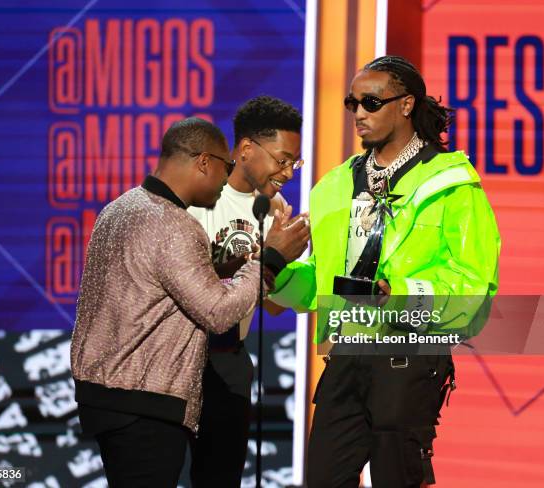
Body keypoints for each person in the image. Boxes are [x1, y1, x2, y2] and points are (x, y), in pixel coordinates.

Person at [269, 56, 501, 487]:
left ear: (407, 104)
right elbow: (318, 283)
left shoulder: (451, 184)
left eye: (371, 102)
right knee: (323, 478)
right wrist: (275, 271)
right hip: (347, 352)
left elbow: (474, 285)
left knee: (397, 479)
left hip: (409, 354)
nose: (359, 113)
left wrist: (399, 295)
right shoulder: (334, 186)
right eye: (352, 103)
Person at [70, 117, 309, 488]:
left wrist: (244, 263)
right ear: (204, 162)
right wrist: (271, 260)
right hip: (145, 400)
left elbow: (162, 287)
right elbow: (218, 313)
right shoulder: (173, 225)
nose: (226, 179)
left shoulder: (120, 208)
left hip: (107, 394)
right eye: (225, 167)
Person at [188, 96, 305, 487]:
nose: (288, 173)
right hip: (183, 357)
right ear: (247, 149)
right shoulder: (199, 195)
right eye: (282, 160)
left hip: (231, 361)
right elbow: (188, 287)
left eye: (294, 163)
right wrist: (260, 260)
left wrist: (283, 264)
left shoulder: (275, 208)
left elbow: (270, 307)